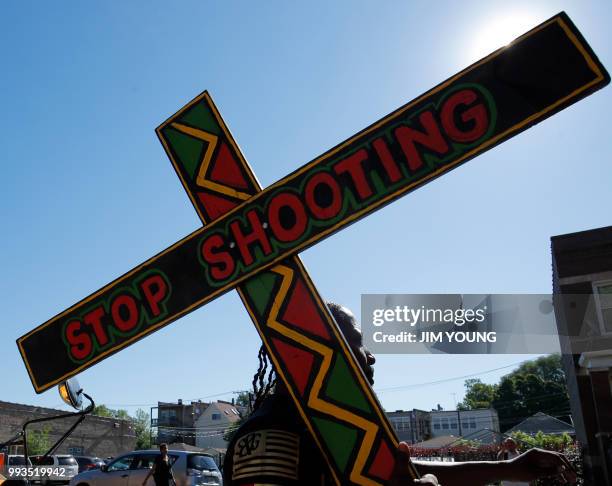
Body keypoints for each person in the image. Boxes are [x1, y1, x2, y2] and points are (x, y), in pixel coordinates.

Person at [224, 303, 576, 485]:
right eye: (359, 343)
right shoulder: (272, 432)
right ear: (323, 354)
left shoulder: (326, 426)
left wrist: (511, 469)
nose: (372, 355)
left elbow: (397, 471)